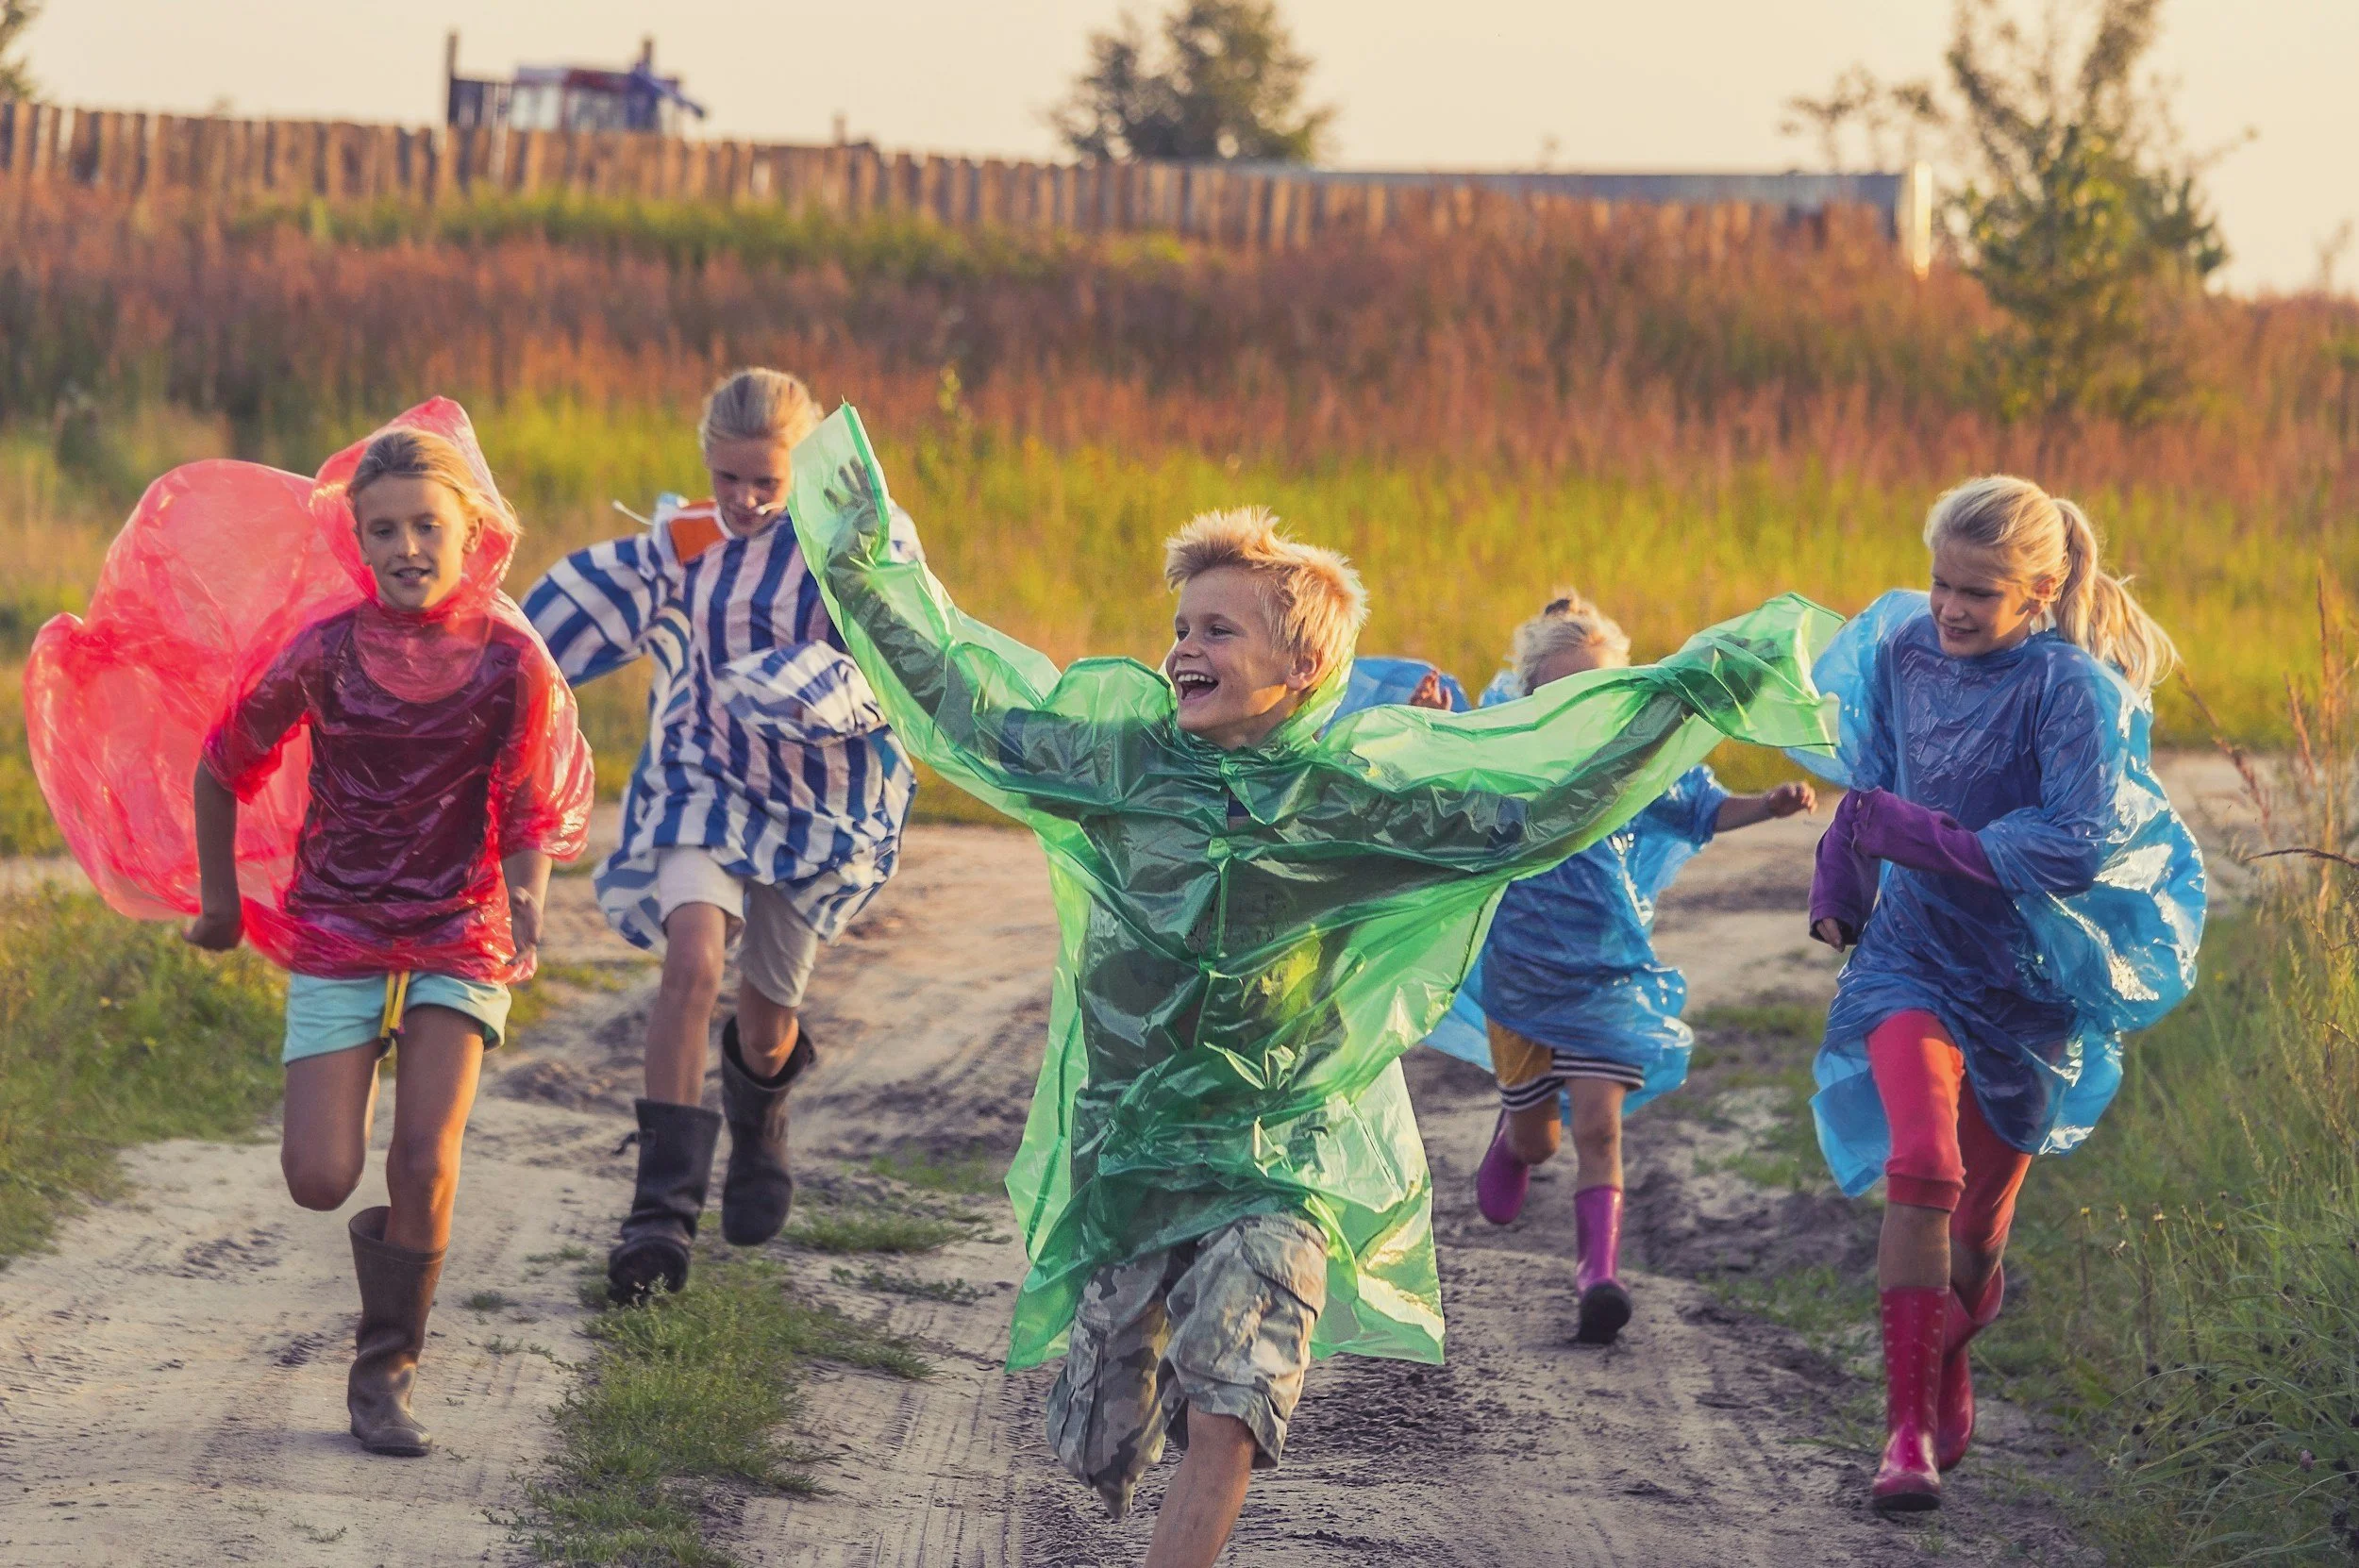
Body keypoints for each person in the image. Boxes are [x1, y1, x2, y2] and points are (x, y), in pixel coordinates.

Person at [787, 405, 1837, 1567]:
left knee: (1235, 1396)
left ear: (1301, 668)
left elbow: (1534, 805)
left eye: (1219, 630)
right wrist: (864, 560)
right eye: (1179, 626)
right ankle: (1141, 1378)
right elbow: (965, 703)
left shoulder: (1351, 803)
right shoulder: (1121, 763)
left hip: (1279, 1150)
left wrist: (1692, 696)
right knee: (1097, 1435)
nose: (1184, 647)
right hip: (1129, 1146)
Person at [172, 418, 591, 1456]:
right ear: (357, 541)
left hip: (460, 925)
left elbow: (532, 811)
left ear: (473, 530)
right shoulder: (325, 652)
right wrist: (221, 906)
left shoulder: (511, 664)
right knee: (320, 1175)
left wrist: (527, 893)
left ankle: (384, 1373)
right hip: (340, 920)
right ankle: (385, 1286)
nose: (407, 548)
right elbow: (222, 763)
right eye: (385, 530)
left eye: (426, 527)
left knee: (423, 1158)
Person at [1798, 475, 2204, 1514]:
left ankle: (1950, 1347)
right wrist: (1841, 885)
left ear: (2039, 588)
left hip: (2029, 978)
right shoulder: (1904, 653)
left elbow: (2072, 847)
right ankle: (1900, 1440)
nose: (1948, 607)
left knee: (1976, 1241)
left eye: (1977, 592)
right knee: (1920, 1166)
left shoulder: (2071, 691)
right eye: (1940, 582)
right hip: (1907, 957)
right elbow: (1873, 789)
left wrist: (1933, 839)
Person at [522, 369, 918, 1307]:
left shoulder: (844, 547)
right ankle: (657, 1215)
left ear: (798, 472)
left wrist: (814, 681)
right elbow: (570, 618)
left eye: (763, 483)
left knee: (764, 1015)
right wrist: (491, 668)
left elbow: (899, 650)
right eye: (727, 477)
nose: (742, 501)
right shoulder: (685, 546)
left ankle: (762, 1118)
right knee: (691, 961)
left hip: (813, 800)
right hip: (701, 777)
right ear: (707, 460)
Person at [1430, 592, 1815, 1346]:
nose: (1586, 706)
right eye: (1566, 690)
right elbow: (1439, 769)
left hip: (1609, 979)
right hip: (1522, 983)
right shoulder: (1506, 751)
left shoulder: (1635, 764)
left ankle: (1597, 1276)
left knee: (1601, 1132)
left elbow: (1701, 809)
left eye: (1601, 690)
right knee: (1541, 1141)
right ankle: (1514, 1140)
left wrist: (1767, 805)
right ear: (1531, 691)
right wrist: (1436, 711)